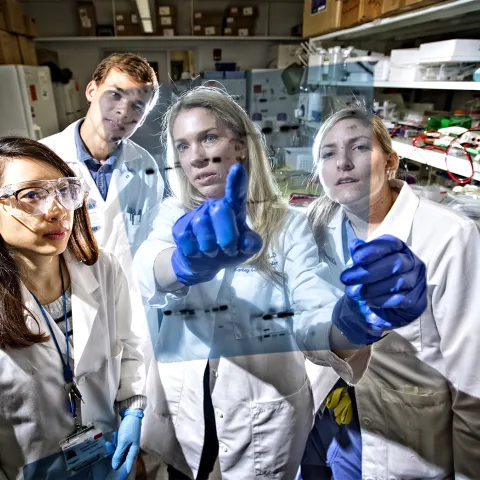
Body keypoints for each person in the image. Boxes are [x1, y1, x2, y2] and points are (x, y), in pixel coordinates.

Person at [133, 87, 427, 480]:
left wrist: (354, 321)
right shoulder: (174, 215)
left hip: (263, 421)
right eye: (183, 146)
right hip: (185, 413)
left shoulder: (290, 226)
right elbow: (148, 267)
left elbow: (313, 318)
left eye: (209, 137)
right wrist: (186, 264)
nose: (198, 156)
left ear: (239, 146)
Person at [302, 108, 480, 479]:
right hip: (321, 424)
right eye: (328, 154)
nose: (344, 163)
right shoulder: (313, 232)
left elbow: (472, 382)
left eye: (360, 147)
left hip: (402, 442)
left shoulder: (449, 236)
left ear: (391, 163)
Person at [0, 137, 147, 479]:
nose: (56, 210)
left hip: (106, 460)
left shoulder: (103, 269)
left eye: (63, 191)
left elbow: (131, 350)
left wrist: (133, 413)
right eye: (32, 194)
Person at [41, 53, 164, 269]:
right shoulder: (41, 157)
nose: (122, 111)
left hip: (124, 296)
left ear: (142, 118)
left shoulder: (145, 166)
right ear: (91, 91)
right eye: (115, 95)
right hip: (63, 296)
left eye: (136, 106)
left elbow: (149, 245)